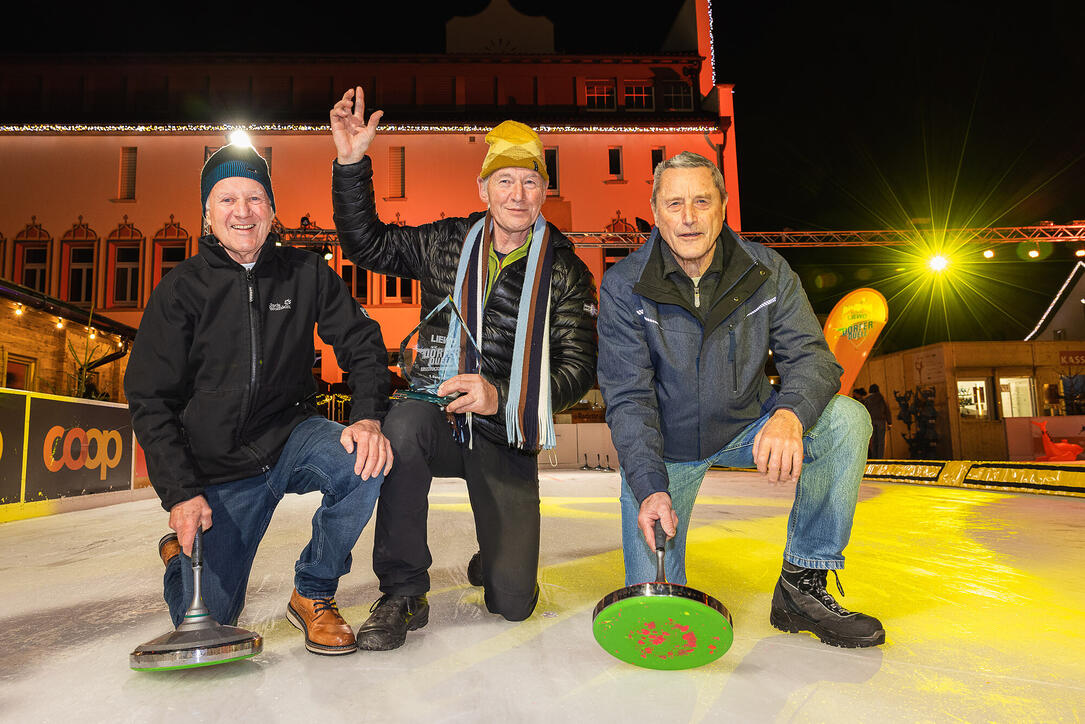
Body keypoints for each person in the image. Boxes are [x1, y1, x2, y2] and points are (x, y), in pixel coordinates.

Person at [329, 87, 597, 649]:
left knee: (512, 602)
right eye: (505, 180)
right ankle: (403, 590)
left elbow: (577, 369)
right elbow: (368, 246)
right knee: (401, 426)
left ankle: (496, 554)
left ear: (544, 190)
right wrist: (352, 166)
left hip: (506, 433)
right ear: (483, 187)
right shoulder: (447, 242)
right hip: (440, 420)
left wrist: (500, 395)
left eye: (530, 181)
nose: (517, 195)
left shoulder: (566, 271)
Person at [597, 151, 885, 648]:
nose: (688, 217)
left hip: (748, 425)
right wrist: (648, 485)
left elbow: (814, 358)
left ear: (723, 207)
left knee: (845, 421)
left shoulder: (765, 269)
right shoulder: (625, 284)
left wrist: (790, 414)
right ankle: (659, 536)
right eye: (674, 204)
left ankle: (802, 584)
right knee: (658, 607)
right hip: (667, 448)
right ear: (656, 211)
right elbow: (628, 396)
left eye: (701, 201)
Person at [125, 142, 393, 656]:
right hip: (219, 467)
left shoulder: (306, 272)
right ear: (207, 213)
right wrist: (181, 493)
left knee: (366, 461)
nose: (242, 212)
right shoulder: (180, 290)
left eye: (254, 198)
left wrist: (367, 419)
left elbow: (362, 342)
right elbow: (150, 399)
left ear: (272, 209)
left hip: (290, 435)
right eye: (226, 200)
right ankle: (181, 558)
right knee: (208, 617)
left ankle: (313, 591)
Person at [862, 383, 892, 458]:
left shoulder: (867, 400)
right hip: (881, 421)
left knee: (874, 440)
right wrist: (889, 423)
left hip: (871, 422)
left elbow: (865, 412)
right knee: (881, 441)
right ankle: (880, 458)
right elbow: (887, 411)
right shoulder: (882, 398)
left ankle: (874, 457)